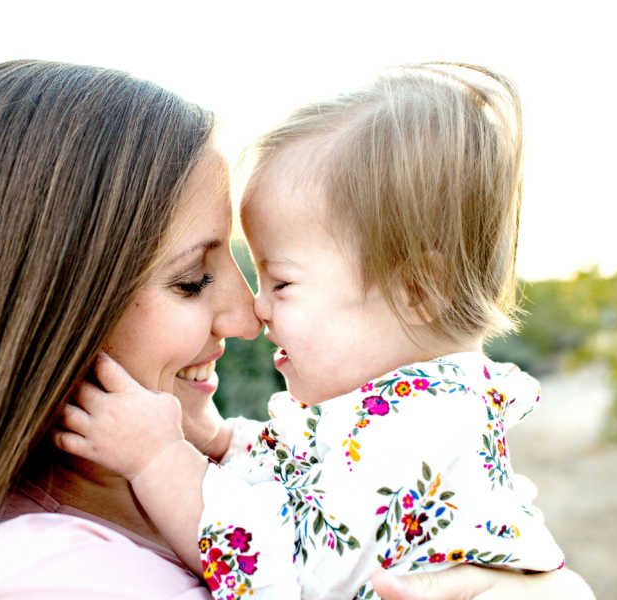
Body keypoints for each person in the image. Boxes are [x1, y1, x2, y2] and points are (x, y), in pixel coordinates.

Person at [0, 59, 591, 600]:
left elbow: (303, 502)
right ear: (54, 309)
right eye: (193, 279)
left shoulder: (414, 426)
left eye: (270, 276)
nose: (247, 314)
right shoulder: (40, 578)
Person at [55, 64, 567, 600]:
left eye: (281, 282)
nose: (258, 309)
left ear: (417, 290)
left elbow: (285, 581)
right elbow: (305, 483)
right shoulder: (407, 412)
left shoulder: (422, 435)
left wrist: (160, 460)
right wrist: (221, 441)